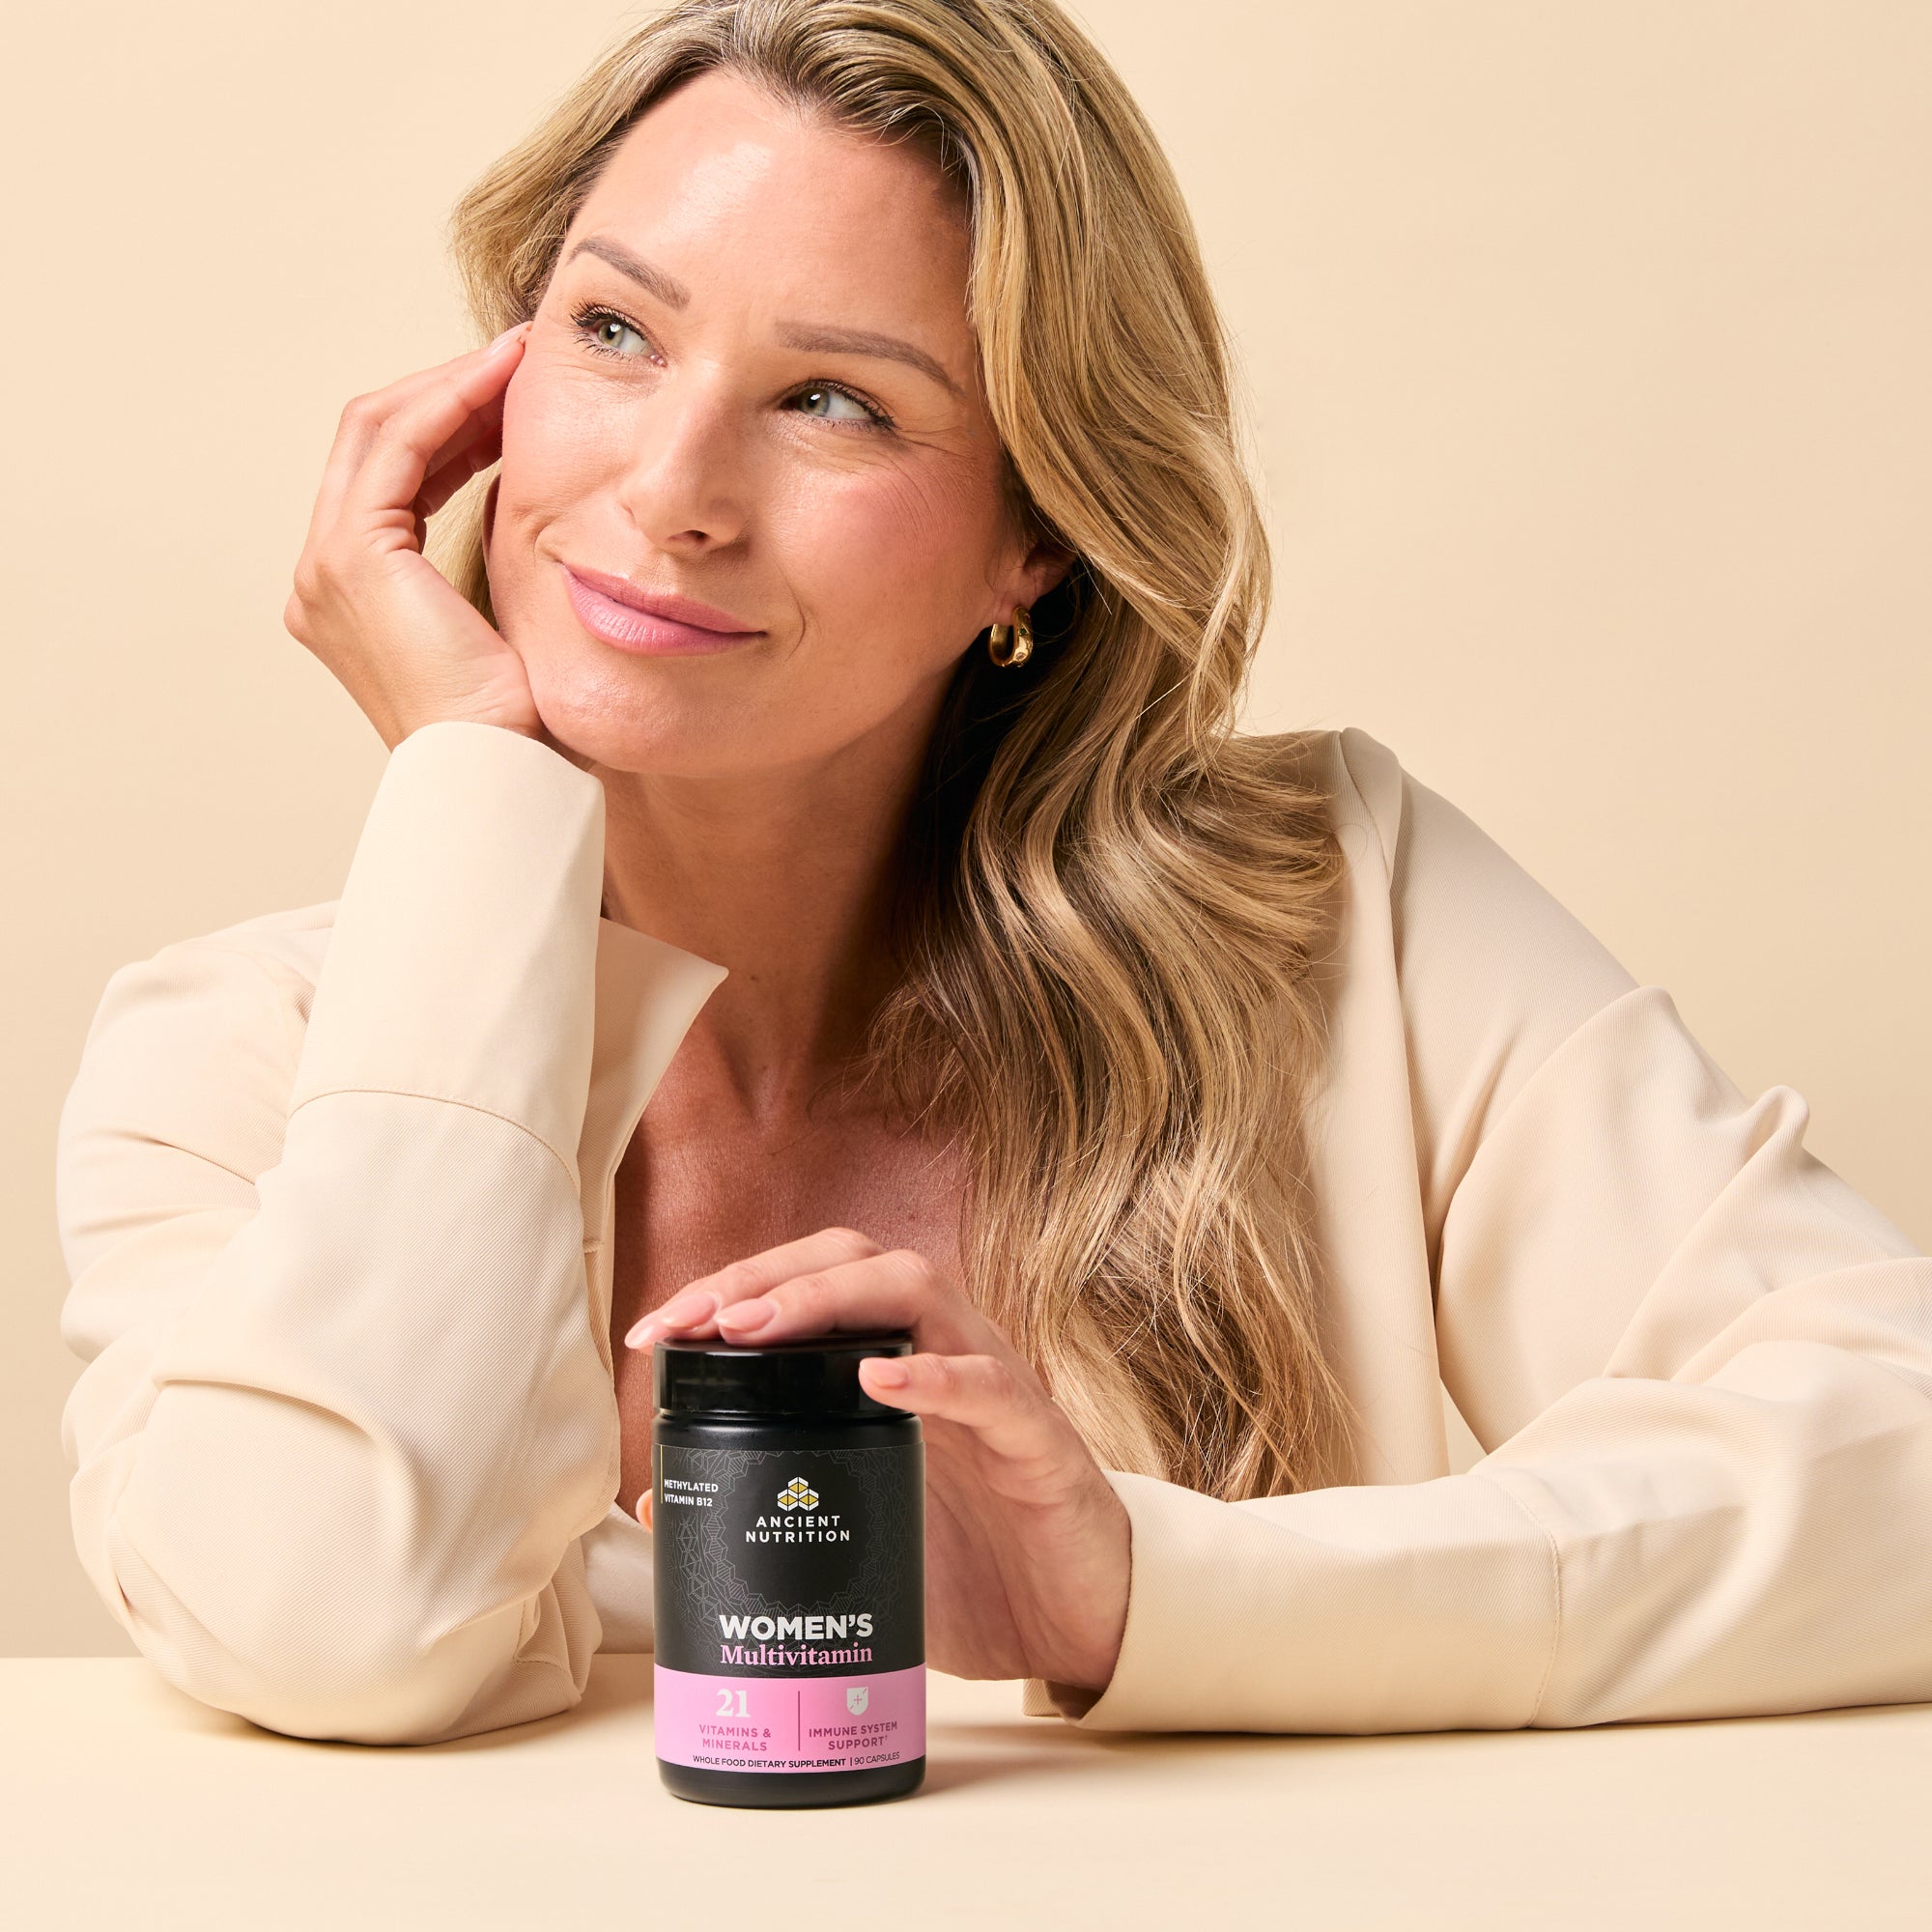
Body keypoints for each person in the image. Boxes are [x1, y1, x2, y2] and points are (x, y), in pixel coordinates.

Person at [54, 0, 1932, 1749]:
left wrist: (1138, 1590)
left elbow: (1903, 1452)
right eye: (613, 332)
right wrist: (473, 783)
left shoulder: (1336, 912)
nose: (673, 491)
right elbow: (320, 1620)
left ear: (1035, 535)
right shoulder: (233, 1059)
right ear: (491, 383)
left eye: (835, 401)